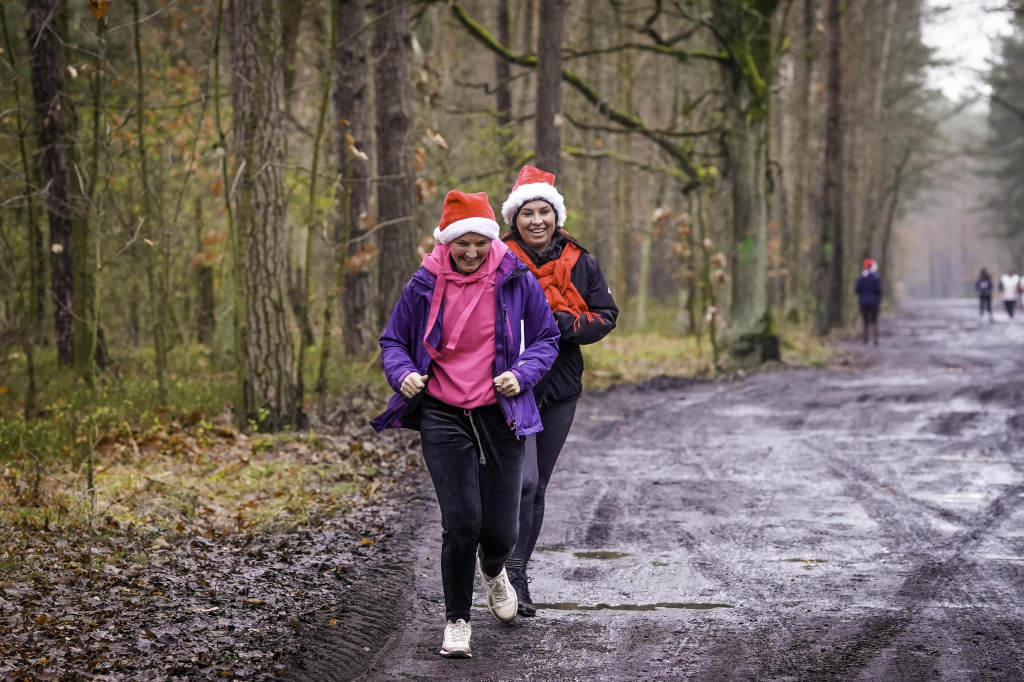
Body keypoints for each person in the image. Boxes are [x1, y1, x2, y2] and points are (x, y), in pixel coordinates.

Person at [370, 190, 560, 658]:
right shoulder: (423, 283)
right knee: (461, 523)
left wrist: (521, 374)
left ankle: (494, 570)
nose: (471, 252)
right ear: (446, 242)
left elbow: (546, 338)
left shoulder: (516, 278)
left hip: (501, 410)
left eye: (479, 242)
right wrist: (403, 373)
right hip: (443, 411)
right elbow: (393, 341)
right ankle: (457, 621)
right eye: (462, 243)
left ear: (491, 240)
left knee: (500, 532)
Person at [499, 166, 619, 616]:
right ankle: (504, 567)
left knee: (538, 485)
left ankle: (518, 578)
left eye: (543, 211)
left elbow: (606, 315)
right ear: (515, 218)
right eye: (527, 212)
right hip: (510, 384)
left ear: (555, 215)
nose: (536, 221)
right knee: (521, 481)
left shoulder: (582, 260)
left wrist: (566, 325)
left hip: (562, 385)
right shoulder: (499, 258)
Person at [854, 258, 882, 345]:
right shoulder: (876, 278)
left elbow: (857, 289)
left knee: (865, 321)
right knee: (874, 321)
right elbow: (879, 291)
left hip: (863, 302)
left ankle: (865, 339)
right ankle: (875, 338)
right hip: (874, 302)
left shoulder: (860, 278)